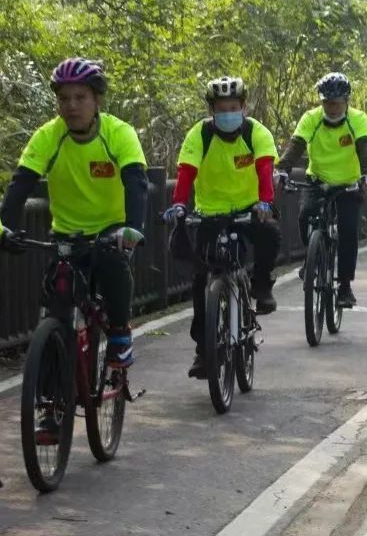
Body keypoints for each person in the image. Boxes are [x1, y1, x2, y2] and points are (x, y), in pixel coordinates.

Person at [0, 58, 148, 369]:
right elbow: (19, 187)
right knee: (55, 302)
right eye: (63, 98)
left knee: (113, 267)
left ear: (97, 100)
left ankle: (120, 336)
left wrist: (133, 228)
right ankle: (53, 389)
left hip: (111, 230)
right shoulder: (48, 136)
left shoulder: (119, 133)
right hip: (66, 234)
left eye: (80, 97)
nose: (71, 106)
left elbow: (136, 183)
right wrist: (5, 228)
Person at [163, 76, 281, 379]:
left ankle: (262, 285)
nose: (227, 113)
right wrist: (179, 204)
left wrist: (265, 203)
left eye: (233, 107)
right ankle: (204, 350)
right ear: (211, 110)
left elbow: (265, 170)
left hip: (250, 209)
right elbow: (186, 173)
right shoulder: (199, 135)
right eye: (220, 108)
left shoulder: (257, 132)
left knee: (270, 234)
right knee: (202, 282)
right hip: (209, 214)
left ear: (243, 107)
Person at [277, 72, 367, 308]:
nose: (332, 108)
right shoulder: (311, 118)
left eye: (337, 103)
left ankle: (344, 286)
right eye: (327, 103)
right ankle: (313, 257)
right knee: (304, 215)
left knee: (349, 231)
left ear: (346, 101)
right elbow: (297, 144)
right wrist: (282, 168)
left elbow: (365, 147)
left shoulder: (358, 119)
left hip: (348, 184)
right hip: (318, 180)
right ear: (321, 101)